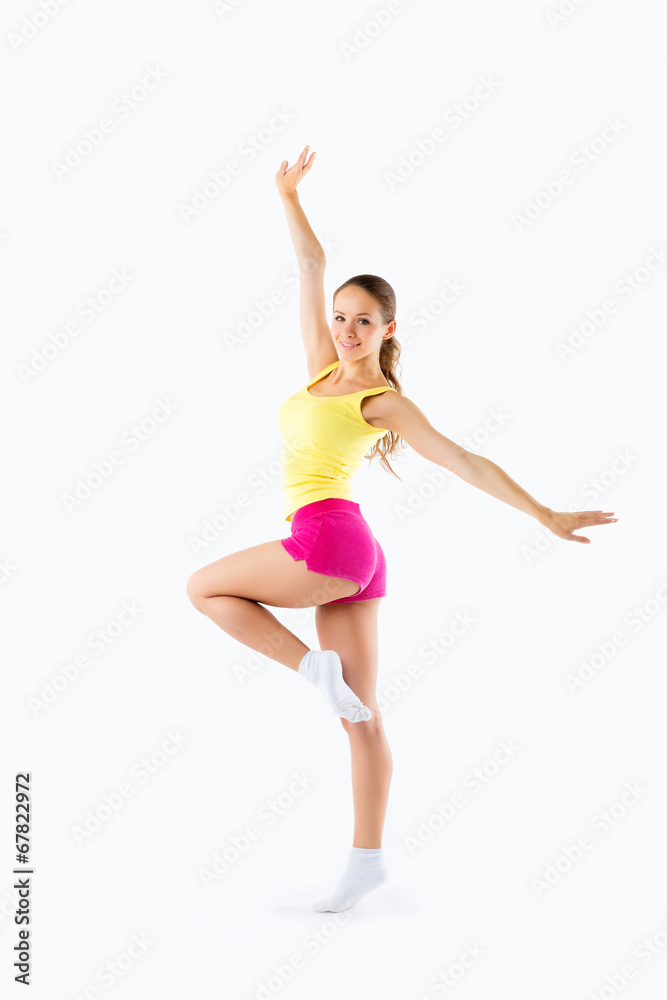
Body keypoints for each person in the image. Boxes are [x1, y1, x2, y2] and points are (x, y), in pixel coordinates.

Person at [186, 144, 618, 913]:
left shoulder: (380, 398)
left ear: (389, 329)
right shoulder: (321, 368)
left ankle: (307, 670)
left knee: (204, 586)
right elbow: (310, 266)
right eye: (341, 319)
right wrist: (287, 197)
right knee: (362, 717)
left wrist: (544, 513)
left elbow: (462, 459)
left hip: (328, 542)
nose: (347, 329)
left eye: (363, 321)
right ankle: (367, 860)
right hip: (357, 555)